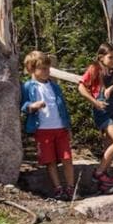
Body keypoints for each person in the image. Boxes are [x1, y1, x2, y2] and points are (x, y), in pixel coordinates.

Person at [78, 42, 113, 193]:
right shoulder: (94, 69)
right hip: (102, 110)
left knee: (108, 144)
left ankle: (104, 183)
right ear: (101, 57)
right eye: (111, 57)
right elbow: (81, 86)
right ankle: (99, 172)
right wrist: (95, 102)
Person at [21, 51, 76, 201]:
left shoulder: (54, 86)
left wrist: (68, 127)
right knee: (50, 160)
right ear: (32, 69)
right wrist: (33, 106)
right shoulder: (28, 86)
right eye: (43, 68)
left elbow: (62, 106)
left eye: (48, 68)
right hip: (43, 129)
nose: (47, 71)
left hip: (60, 128)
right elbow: (23, 105)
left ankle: (71, 188)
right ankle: (58, 188)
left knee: (67, 158)